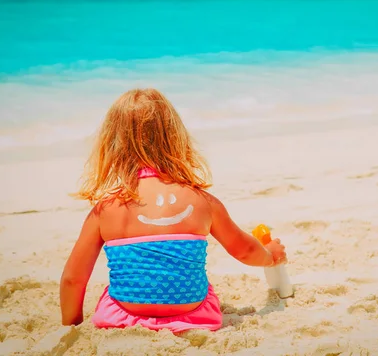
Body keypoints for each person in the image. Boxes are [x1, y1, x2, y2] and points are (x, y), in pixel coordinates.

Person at [60, 88, 287, 333]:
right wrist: (269, 254)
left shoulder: (106, 210)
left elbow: (73, 279)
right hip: (193, 315)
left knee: (113, 292)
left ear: (112, 144)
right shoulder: (202, 202)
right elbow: (244, 251)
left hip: (124, 317)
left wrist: (71, 327)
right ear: (176, 138)